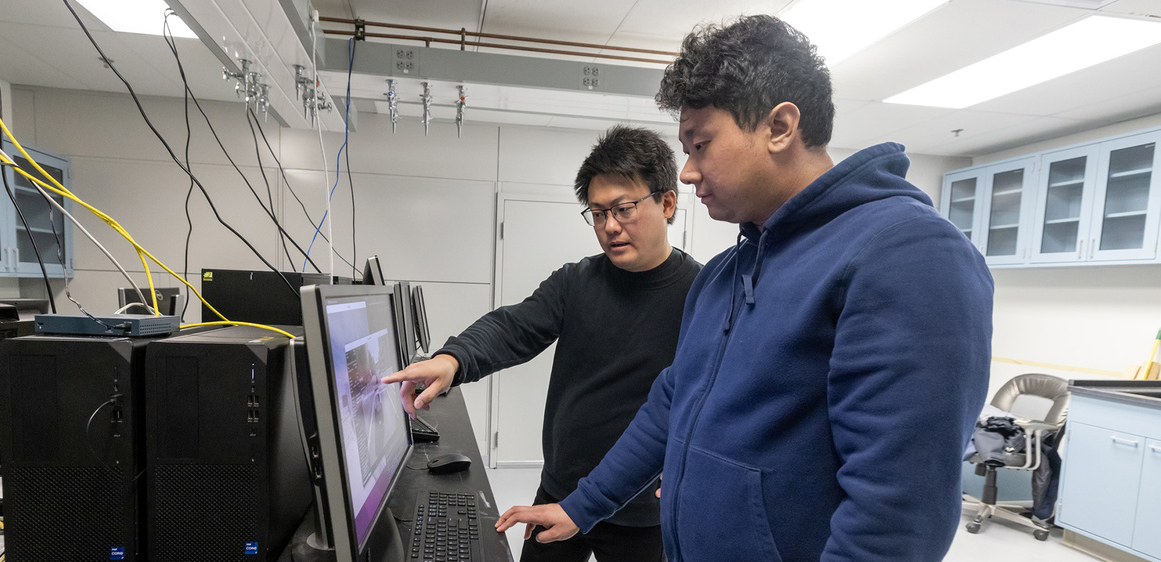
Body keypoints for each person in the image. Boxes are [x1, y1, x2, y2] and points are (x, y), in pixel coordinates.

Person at [495, 15, 993, 562]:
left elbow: (896, 514)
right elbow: (671, 403)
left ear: (780, 127)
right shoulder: (725, 273)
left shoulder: (906, 254)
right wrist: (583, 505)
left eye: (701, 144)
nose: (686, 172)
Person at [382, 125, 702, 562]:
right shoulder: (577, 281)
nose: (610, 226)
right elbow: (513, 327)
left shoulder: (702, 294)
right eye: (597, 212)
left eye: (624, 209)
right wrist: (452, 359)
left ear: (666, 203)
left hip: (643, 513)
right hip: (559, 491)